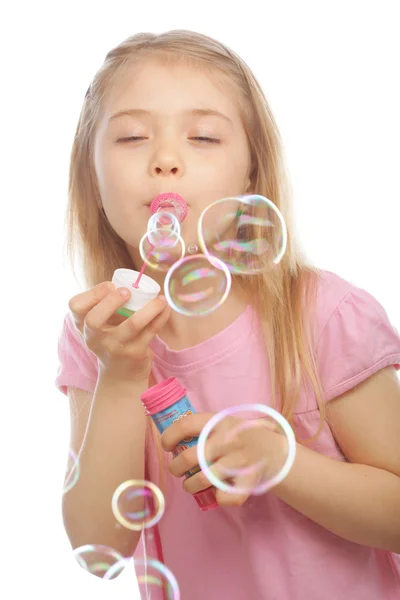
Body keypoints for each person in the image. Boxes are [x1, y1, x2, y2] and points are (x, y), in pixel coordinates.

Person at [55, 30, 400, 600]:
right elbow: (100, 548)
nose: (166, 160)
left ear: (250, 176)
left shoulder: (320, 314)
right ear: (92, 179)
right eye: (133, 136)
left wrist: (281, 461)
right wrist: (119, 380)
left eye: (205, 137)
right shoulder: (99, 336)